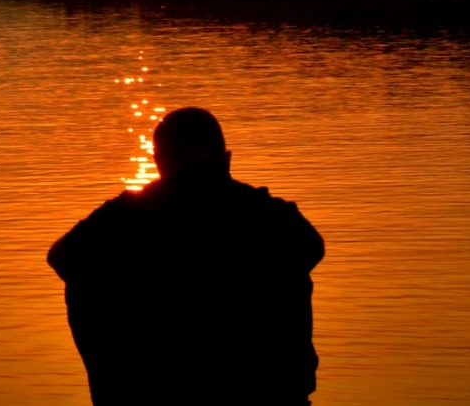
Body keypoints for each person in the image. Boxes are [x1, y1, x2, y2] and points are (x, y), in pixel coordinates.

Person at [48, 107, 324, 405]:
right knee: (290, 267)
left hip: (157, 383)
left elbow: (61, 257)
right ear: (226, 159)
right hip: (268, 390)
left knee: (84, 276)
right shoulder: (273, 216)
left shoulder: (126, 215)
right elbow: (312, 248)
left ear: (159, 163)